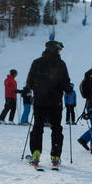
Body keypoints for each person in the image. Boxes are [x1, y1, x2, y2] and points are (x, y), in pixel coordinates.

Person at [26, 40, 72, 169]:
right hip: (55, 103)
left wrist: (38, 88)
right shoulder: (60, 64)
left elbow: (29, 82)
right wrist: (69, 88)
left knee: (38, 127)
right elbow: (66, 85)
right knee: (56, 128)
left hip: (40, 101)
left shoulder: (37, 62)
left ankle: (36, 153)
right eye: (59, 50)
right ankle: (55, 156)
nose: (60, 52)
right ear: (54, 49)